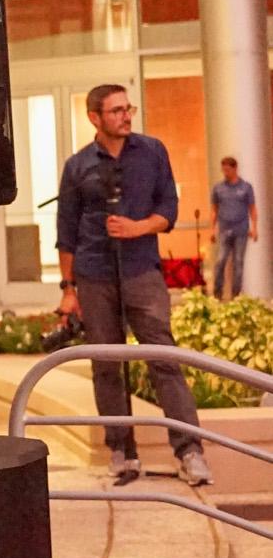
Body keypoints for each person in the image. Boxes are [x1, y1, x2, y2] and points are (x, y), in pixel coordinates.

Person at [56, 84, 210, 489]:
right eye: (117, 110)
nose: (126, 116)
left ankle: (190, 452)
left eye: (129, 108)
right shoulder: (78, 166)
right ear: (95, 117)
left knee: (164, 359)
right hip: (94, 275)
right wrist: (68, 290)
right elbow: (66, 232)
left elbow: (168, 209)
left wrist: (137, 228)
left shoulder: (152, 151)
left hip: (142, 271)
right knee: (107, 365)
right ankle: (122, 451)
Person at [211, 155, 258, 299]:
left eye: (228, 170)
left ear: (235, 169)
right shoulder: (218, 188)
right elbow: (214, 210)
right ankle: (217, 293)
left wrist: (254, 228)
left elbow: (252, 208)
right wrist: (212, 229)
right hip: (224, 230)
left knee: (238, 262)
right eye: (223, 170)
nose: (225, 173)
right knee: (220, 261)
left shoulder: (246, 187)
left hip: (241, 230)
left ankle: (235, 295)